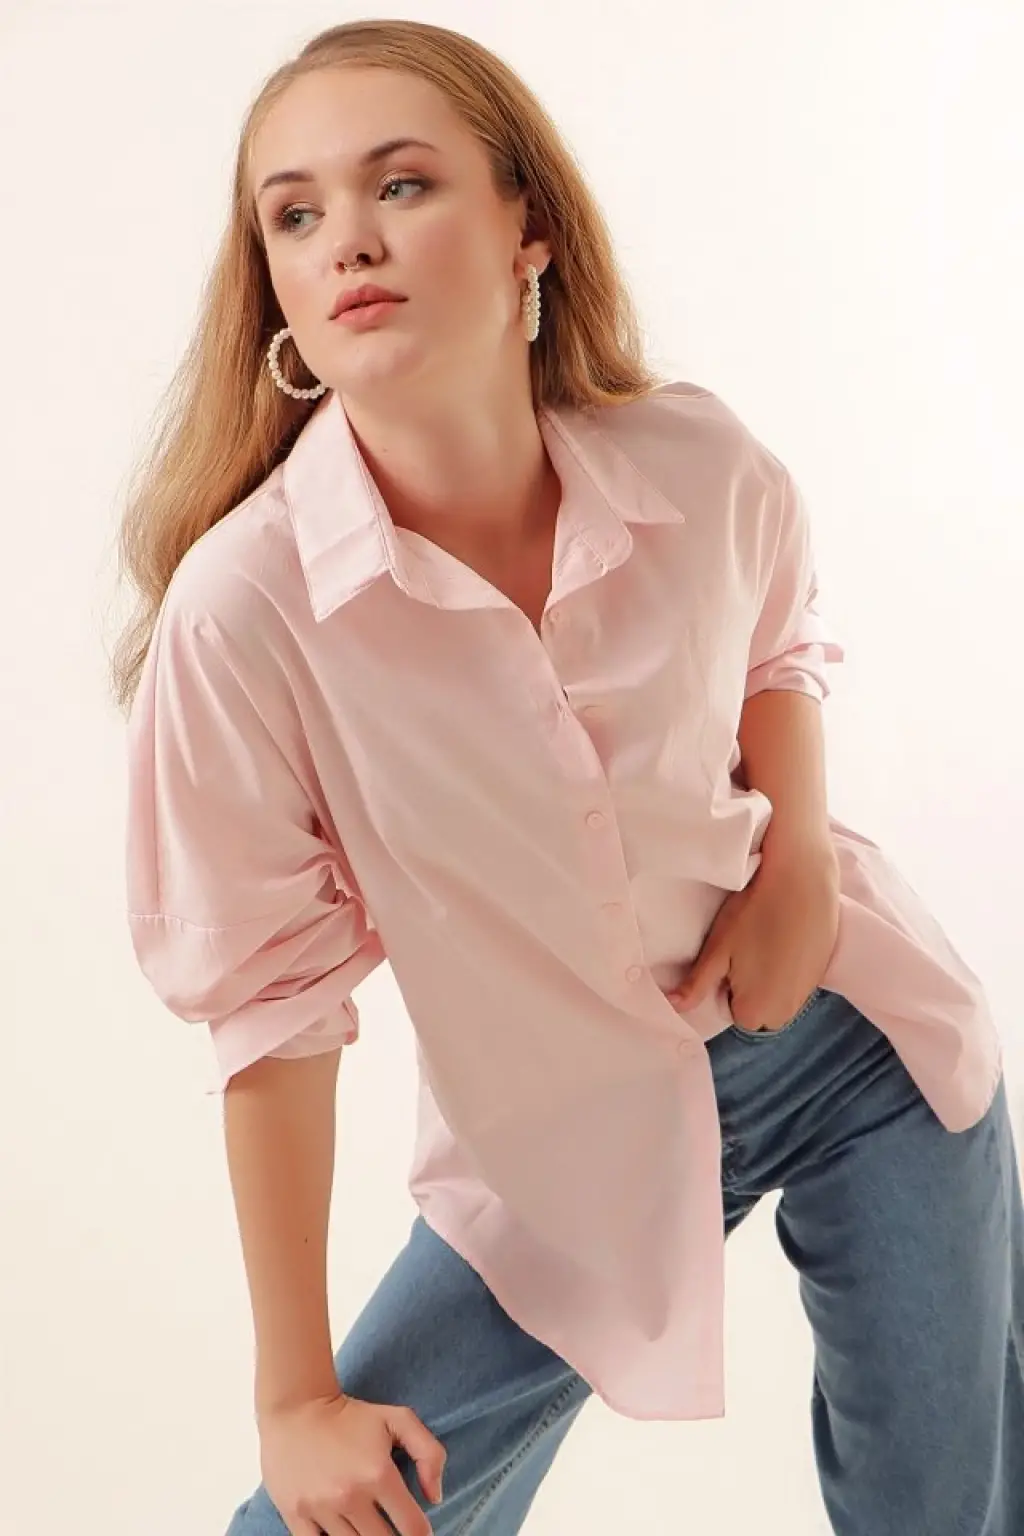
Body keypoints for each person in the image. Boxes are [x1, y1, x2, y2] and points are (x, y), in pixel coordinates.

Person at [112, 18, 1023, 1536]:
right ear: (271, 287)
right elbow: (269, 1006)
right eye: (295, 214)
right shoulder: (248, 611)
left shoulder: (693, 461)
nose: (347, 240)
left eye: (402, 184)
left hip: (854, 1038)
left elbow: (778, 635)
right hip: (553, 1152)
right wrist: (294, 1401)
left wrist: (798, 858)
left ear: (527, 225)